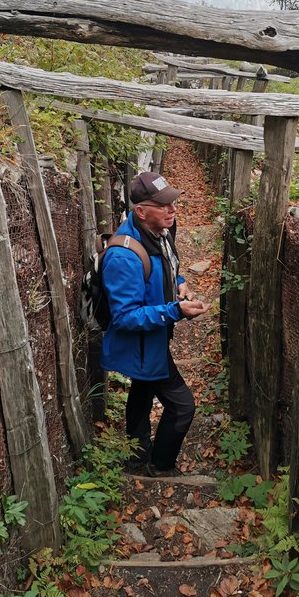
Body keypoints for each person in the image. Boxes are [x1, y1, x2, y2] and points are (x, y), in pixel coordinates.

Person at [101, 171, 210, 476]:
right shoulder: (123, 257)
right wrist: (176, 311)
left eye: (173, 203)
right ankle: (160, 466)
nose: (173, 210)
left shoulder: (158, 231)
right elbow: (124, 316)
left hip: (152, 339)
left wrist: (181, 284)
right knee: (182, 406)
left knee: (141, 392)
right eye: (164, 205)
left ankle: (135, 459)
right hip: (142, 345)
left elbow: (168, 265)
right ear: (141, 211)